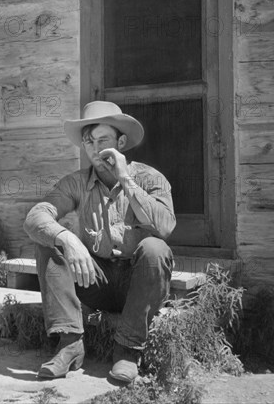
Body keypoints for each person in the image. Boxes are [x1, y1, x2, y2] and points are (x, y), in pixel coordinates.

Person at [24, 101, 176, 383]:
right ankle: (69, 344)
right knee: (49, 241)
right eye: (89, 141)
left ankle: (127, 351)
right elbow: (35, 217)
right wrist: (67, 237)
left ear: (121, 141)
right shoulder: (76, 183)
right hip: (96, 280)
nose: (95, 148)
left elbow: (165, 227)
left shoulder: (150, 178)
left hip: (138, 279)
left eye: (102, 140)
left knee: (156, 248)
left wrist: (125, 178)